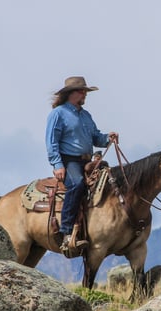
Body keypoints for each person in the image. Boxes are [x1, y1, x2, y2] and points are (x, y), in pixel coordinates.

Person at [46, 76, 118, 252]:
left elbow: (96, 137)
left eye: (85, 91)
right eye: (81, 90)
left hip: (88, 161)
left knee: (111, 182)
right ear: (71, 93)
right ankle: (67, 232)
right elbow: (51, 141)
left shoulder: (86, 115)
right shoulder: (58, 114)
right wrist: (57, 165)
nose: (85, 94)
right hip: (69, 160)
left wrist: (107, 138)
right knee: (77, 185)